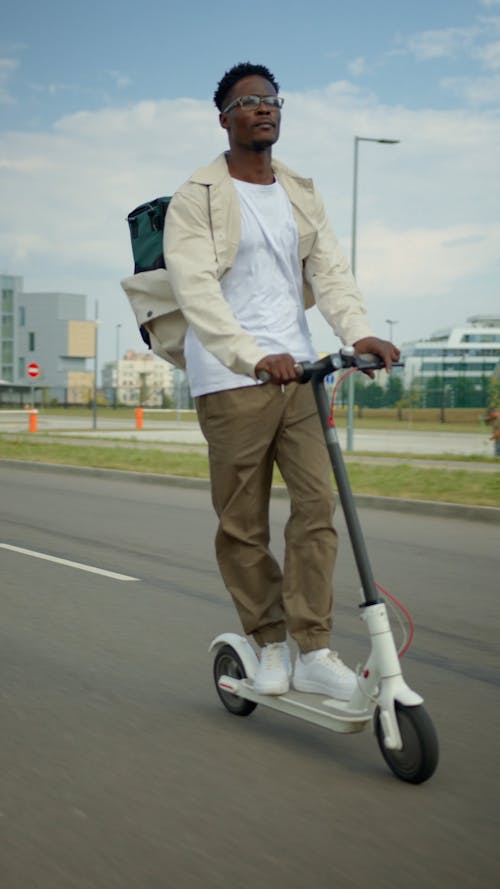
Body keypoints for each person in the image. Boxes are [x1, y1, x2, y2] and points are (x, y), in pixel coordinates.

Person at [163, 62, 400, 699]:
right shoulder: (197, 196)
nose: (263, 108)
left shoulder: (298, 189)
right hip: (231, 378)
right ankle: (268, 643)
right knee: (243, 522)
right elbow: (196, 289)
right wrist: (249, 355)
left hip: (300, 373)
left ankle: (314, 647)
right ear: (225, 119)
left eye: (271, 100)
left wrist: (357, 334)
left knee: (317, 508)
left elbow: (330, 270)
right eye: (248, 102)